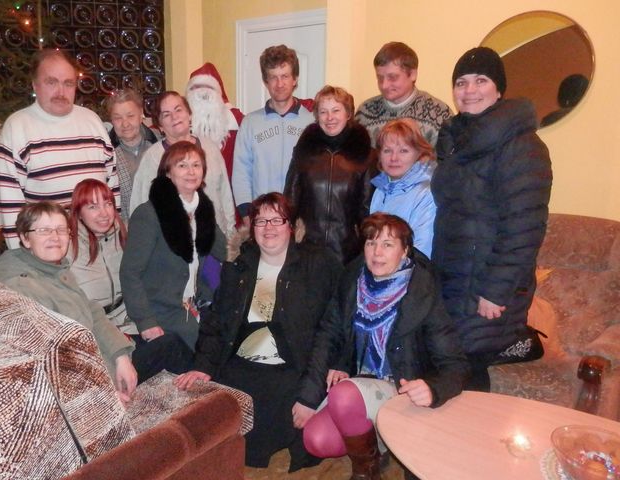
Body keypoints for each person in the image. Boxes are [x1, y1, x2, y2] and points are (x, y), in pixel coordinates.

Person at [175, 192, 343, 472]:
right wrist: (203, 366)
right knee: (208, 429)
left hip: (290, 370)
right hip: (240, 365)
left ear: (291, 226)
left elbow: (329, 334)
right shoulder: (238, 268)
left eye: (277, 220)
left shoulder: (317, 266)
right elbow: (215, 324)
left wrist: (310, 396)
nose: (268, 228)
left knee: (259, 439)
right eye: (261, 221)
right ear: (252, 228)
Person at [302, 213, 469, 479]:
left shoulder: (422, 292)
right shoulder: (352, 281)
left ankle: (366, 472)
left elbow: (455, 364)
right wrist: (311, 393)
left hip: (402, 391)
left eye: (388, 244)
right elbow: (329, 334)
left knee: (343, 395)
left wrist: (433, 389)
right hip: (359, 386)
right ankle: (377, 446)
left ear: (405, 251)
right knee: (317, 440)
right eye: (371, 243)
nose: (377, 252)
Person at [432, 47, 553, 391]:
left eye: (481, 80)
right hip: (453, 279)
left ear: (499, 89)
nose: (469, 90)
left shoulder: (521, 146)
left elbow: (524, 229)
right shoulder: (456, 141)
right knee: (448, 360)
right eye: (461, 82)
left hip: (487, 286)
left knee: (467, 364)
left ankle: (523, 344)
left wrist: (495, 292)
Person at [0, 202, 137, 403]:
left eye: (61, 229)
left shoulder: (52, 268)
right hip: (93, 382)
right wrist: (101, 393)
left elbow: (92, 310)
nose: (55, 237)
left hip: (107, 361)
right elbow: (53, 356)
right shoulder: (25, 286)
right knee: (168, 349)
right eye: (44, 230)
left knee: (167, 345)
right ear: (25, 238)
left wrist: (121, 356)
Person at [68, 179, 192, 382]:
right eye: (93, 207)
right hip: (96, 334)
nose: (104, 213)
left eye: (108, 204)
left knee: (182, 342)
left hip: (129, 323)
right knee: (171, 347)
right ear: (78, 212)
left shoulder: (127, 233)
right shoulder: (67, 247)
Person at [0, 48, 118, 248]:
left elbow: (112, 186)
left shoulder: (92, 122)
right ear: (35, 85)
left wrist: (113, 240)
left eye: (68, 83)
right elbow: (8, 205)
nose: (61, 92)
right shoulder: (17, 128)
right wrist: (21, 254)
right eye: (51, 82)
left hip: (98, 247)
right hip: (49, 251)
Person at [120, 141, 227, 352]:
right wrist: (145, 321)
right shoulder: (149, 214)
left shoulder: (202, 210)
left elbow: (225, 253)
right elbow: (129, 273)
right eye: (182, 165)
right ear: (168, 173)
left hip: (196, 304)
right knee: (211, 353)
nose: (191, 172)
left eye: (196, 165)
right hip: (162, 311)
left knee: (232, 338)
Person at [284, 85, 374, 265]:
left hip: (347, 254)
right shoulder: (304, 150)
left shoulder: (364, 154)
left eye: (336, 110)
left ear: (348, 113)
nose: (329, 117)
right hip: (307, 251)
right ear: (317, 116)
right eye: (323, 112)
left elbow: (367, 211)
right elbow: (290, 202)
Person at [128, 91, 236, 237]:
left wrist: (230, 234)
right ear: (160, 125)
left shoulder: (210, 149)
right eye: (166, 114)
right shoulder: (153, 158)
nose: (174, 117)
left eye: (178, 110)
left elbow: (225, 194)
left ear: (189, 114)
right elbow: (140, 204)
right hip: (172, 242)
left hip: (214, 237)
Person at [232, 44, 315, 223]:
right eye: (273, 77)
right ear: (265, 81)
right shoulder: (250, 123)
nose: (279, 84)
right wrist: (247, 216)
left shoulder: (311, 123)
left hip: (302, 219)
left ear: (295, 79)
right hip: (263, 219)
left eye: (285, 76)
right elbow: (241, 173)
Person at [355, 42, 451, 147]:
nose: (384, 85)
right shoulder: (364, 112)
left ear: (413, 74)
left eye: (392, 77)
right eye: (380, 78)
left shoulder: (439, 113)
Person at [369, 118, 437, 258]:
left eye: (403, 151)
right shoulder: (380, 190)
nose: (394, 158)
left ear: (419, 153)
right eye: (387, 151)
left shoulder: (426, 193)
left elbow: (421, 252)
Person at [105, 89, 160, 223]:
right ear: (111, 120)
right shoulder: (105, 153)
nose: (125, 124)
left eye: (130, 116)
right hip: (123, 228)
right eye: (118, 118)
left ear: (141, 114)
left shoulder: (159, 144)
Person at [186, 62, 244, 178]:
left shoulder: (237, 119)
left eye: (208, 89)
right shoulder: (182, 121)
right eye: (197, 89)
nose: (203, 93)